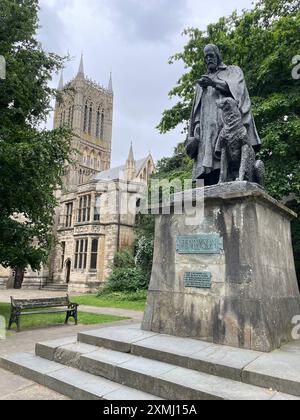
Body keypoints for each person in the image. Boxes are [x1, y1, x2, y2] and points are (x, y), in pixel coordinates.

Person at [186, 44, 261, 184]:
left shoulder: (232, 71)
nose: (208, 59)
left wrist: (213, 83)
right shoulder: (201, 82)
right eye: (206, 57)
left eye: (211, 55)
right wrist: (196, 125)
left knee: (225, 152)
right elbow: (196, 109)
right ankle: (210, 178)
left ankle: (230, 174)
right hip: (206, 129)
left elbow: (237, 91)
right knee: (207, 167)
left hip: (226, 124)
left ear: (218, 55)